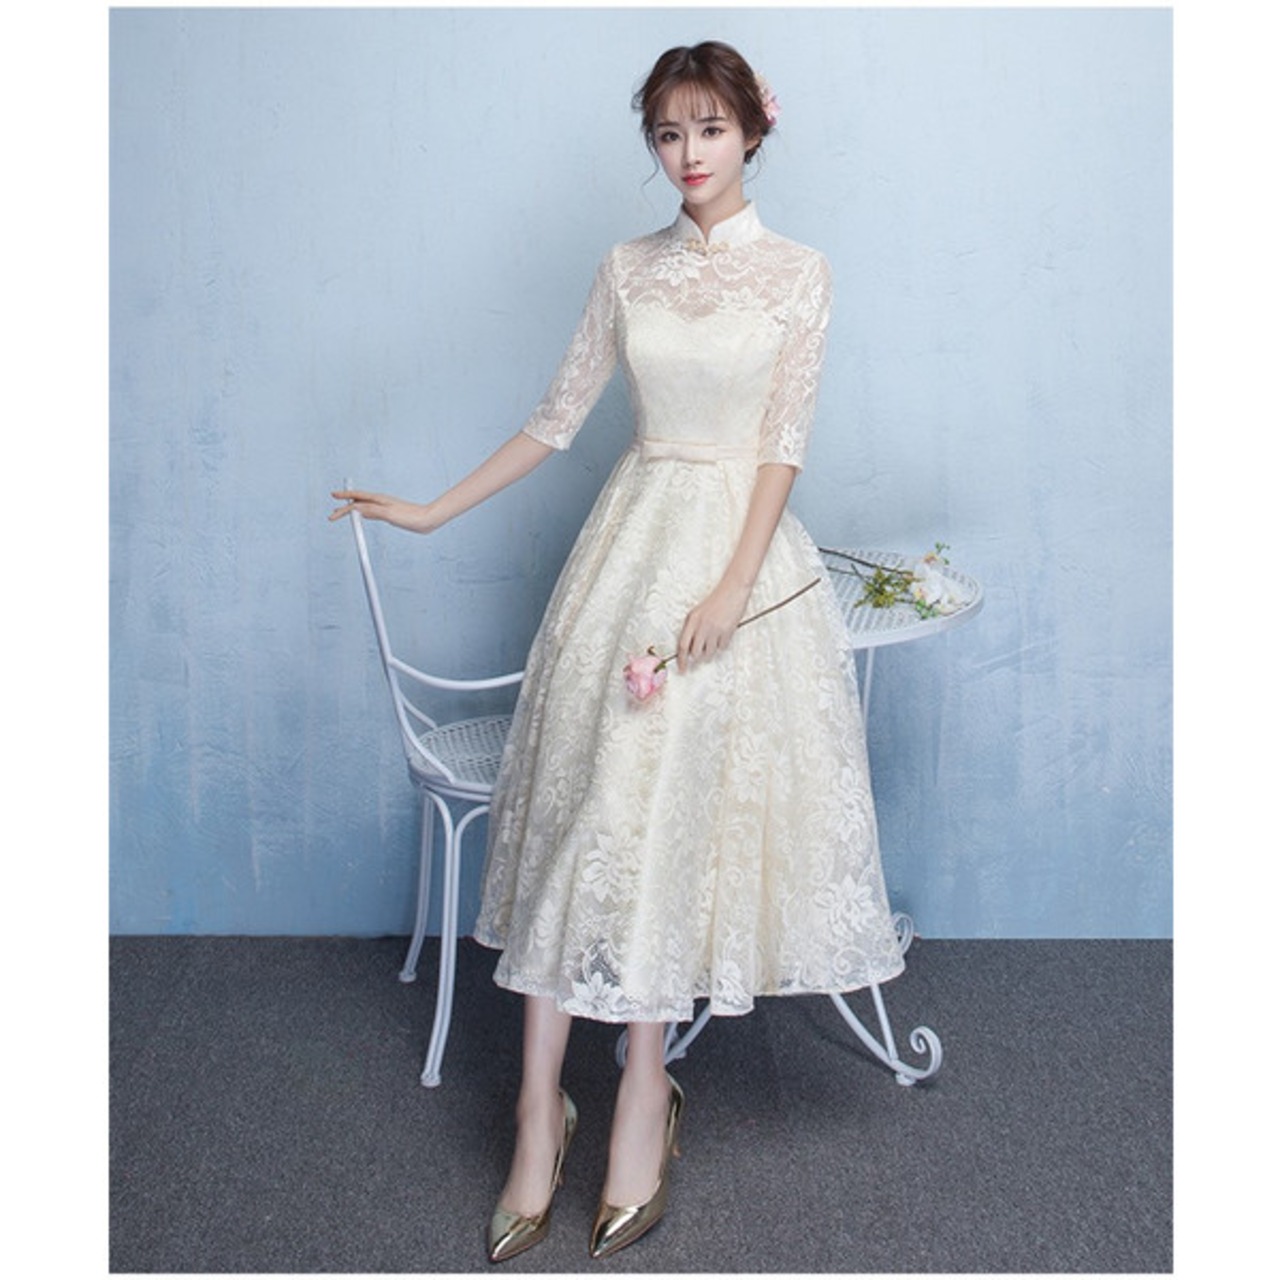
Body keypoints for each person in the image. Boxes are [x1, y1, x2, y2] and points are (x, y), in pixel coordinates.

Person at [330, 40, 905, 1263]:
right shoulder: (624, 268)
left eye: (709, 128)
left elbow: (782, 442)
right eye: (667, 133)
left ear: (754, 130)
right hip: (628, 548)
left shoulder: (798, 274)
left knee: (670, 830)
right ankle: (539, 1109)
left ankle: (644, 1090)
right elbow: (554, 420)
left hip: (733, 568)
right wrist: (430, 510)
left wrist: (731, 586)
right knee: (585, 814)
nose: (687, 154)